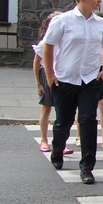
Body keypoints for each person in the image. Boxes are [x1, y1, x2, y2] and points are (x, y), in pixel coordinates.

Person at [42, 0, 103, 184]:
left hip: (90, 80)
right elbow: (48, 46)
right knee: (63, 122)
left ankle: (87, 167)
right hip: (64, 79)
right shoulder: (62, 21)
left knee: (88, 121)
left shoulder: (101, 24)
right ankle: (57, 151)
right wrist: (49, 74)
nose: (99, 0)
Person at [33, 12, 74, 155]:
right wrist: (38, 83)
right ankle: (43, 139)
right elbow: (37, 63)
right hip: (47, 74)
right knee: (46, 108)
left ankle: (60, 143)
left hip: (62, 75)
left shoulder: (66, 40)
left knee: (62, 112)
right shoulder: (45, 42)